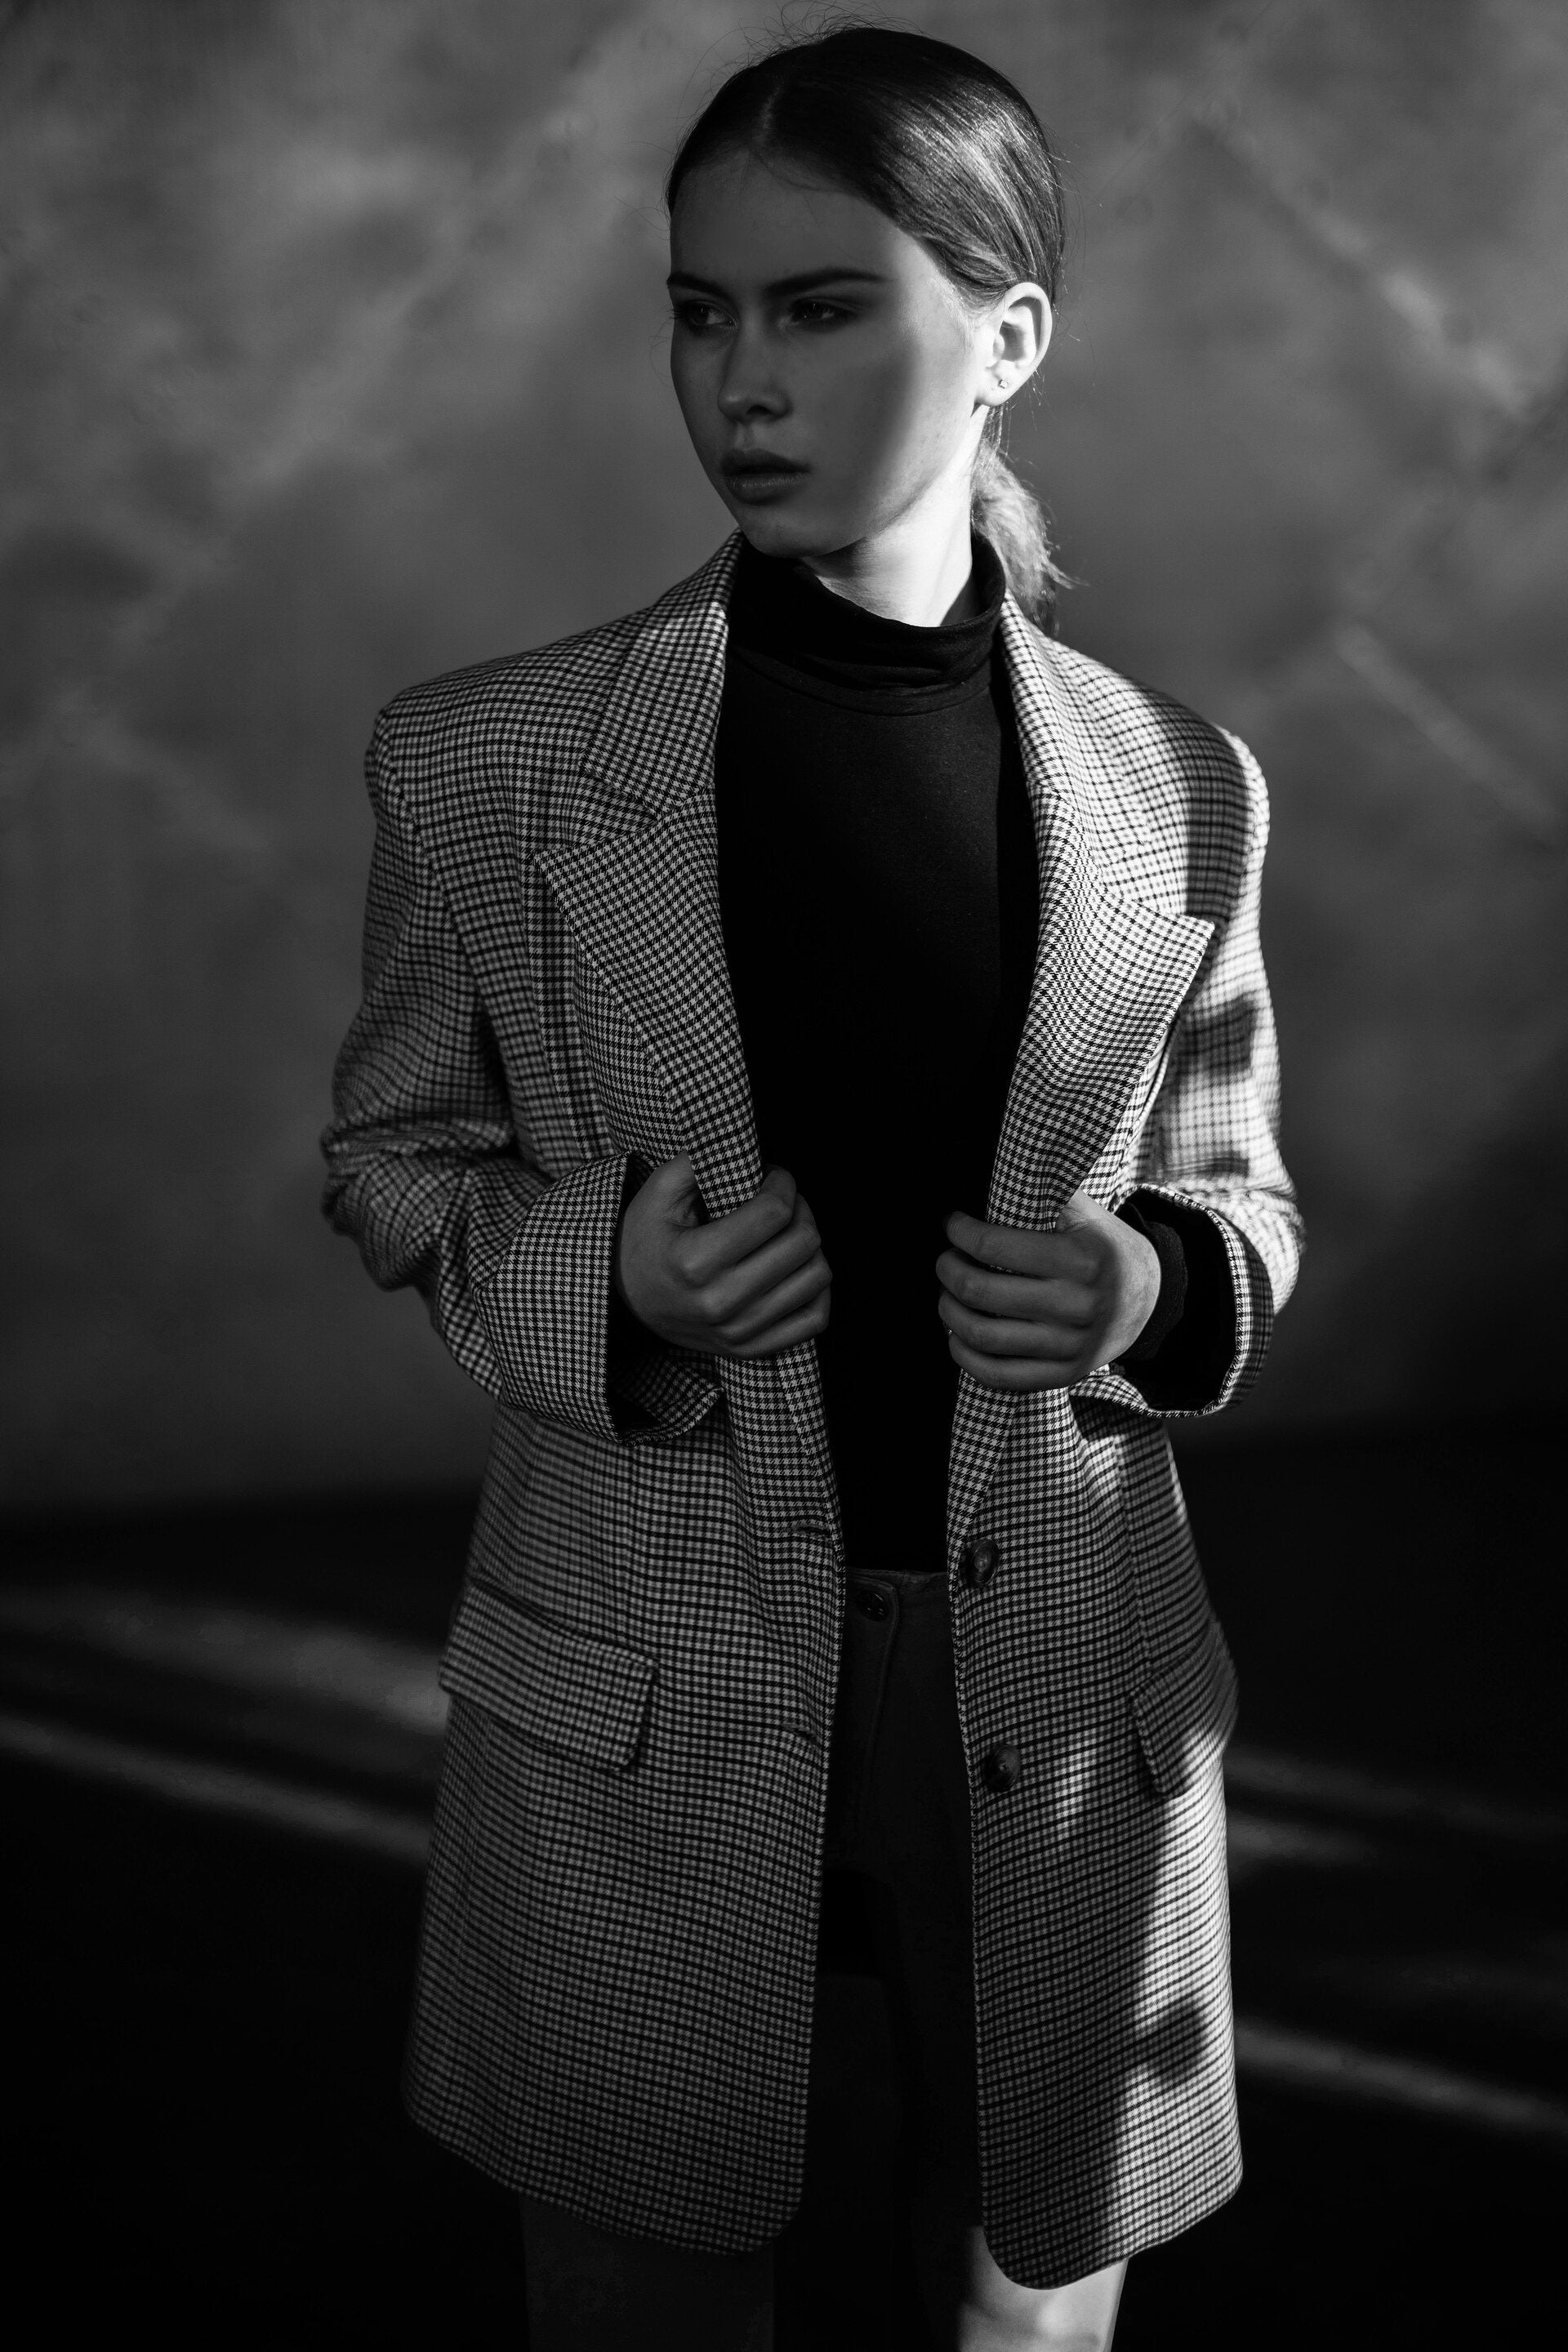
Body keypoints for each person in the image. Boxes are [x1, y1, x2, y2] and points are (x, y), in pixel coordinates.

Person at [322, 26, 1301, 2350]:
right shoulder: (490, 760)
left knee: (1028, 2286)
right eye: (702, 311)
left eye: (822, 306)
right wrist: (614, 1275)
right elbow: (393, 1163)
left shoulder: (1184, 784)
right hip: (641, 1662)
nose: (741, 379)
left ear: (1011, 337)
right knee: (642, 2283)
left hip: (1056, 1653)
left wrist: (1152, 1285)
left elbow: (1240, 1194)